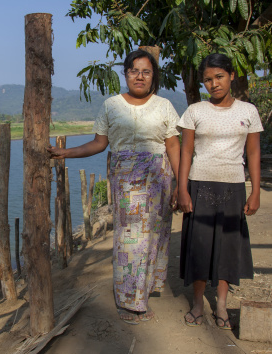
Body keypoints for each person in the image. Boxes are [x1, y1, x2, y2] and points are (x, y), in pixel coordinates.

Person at [48, 49, 180, 324]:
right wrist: (66, 153)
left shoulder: (165, 105)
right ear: (126, 73)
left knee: (153, 236)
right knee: (129, 239)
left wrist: (181, 186)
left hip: (158, 178)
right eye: (134, 71)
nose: (140, 76)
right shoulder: (111, 105)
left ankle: (143, 290)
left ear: (153, 75)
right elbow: (99, 143)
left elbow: (173, 146)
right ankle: (129, 301)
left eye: (146, 71)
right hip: (125, 179)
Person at [177, 53, 263, 329]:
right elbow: (186, 151)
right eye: (207, 80)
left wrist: (255, 191)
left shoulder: (248, 111)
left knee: (227, 248)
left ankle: (222, 306)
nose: (213, 84)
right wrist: (182, 189)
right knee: (200, 247)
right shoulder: (195, 111)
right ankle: (199, 303)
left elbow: (253, 152)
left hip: (234, 187)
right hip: (199, 185)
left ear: (232, 75)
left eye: (219, 77)